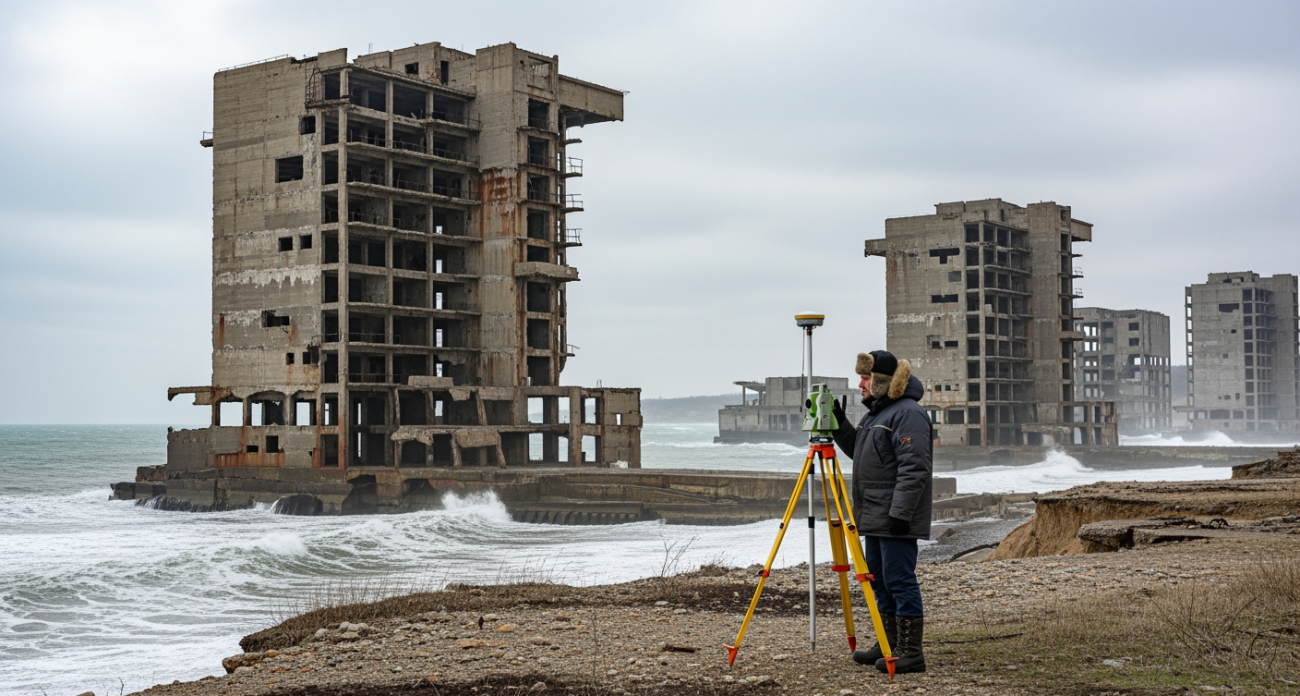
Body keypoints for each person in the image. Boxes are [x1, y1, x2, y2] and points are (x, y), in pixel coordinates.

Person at [832, 350, 933, 674]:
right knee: (878, 580)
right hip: (875, 515)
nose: (860, 384)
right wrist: (838, 424)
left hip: (894, 516)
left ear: (882, 381)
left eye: (865, 378)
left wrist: (900, 513)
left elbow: (914, 468)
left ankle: (911, 652)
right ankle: (887, 643)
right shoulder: (877, 414)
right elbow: (860, 452)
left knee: (899, 580)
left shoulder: (908, 414)